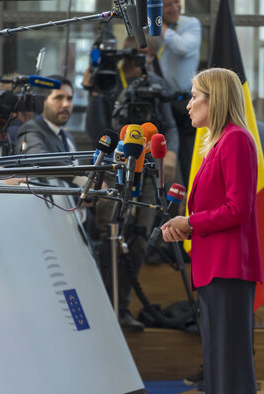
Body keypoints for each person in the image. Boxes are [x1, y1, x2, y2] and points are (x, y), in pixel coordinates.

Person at [161, 68, 260, 394]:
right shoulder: (215, 142)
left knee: (229, 367)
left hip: (229, 269)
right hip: (216, 268)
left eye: (195, 96)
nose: (188, 104)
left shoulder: (236, 140)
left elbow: (239, 208)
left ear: (214, 99)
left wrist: (191, 221)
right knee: (220, 368)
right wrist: (186, 220)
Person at [84, 38, 180, 331]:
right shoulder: (110, 80)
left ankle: (122, 308)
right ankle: (103, 310)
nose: (146, 60)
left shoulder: (156, 85)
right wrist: (94, 90)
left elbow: (171, 125)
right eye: (141, 53)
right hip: (115, 169)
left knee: (138, 240)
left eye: (151, 55)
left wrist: (172, 152)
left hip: (149, 169)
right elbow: (95, 128)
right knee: (110, 236)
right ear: (127, 53)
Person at [155, 0, 200, 185]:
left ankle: (191, 206)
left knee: (189, 162)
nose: (174, 8)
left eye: (176, 2)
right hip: (160, 102)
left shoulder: (191, 24)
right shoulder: (148, 30)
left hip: (184, 103)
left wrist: (160, 27)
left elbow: (182, 48)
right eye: (167, 5)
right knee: (160, 163)